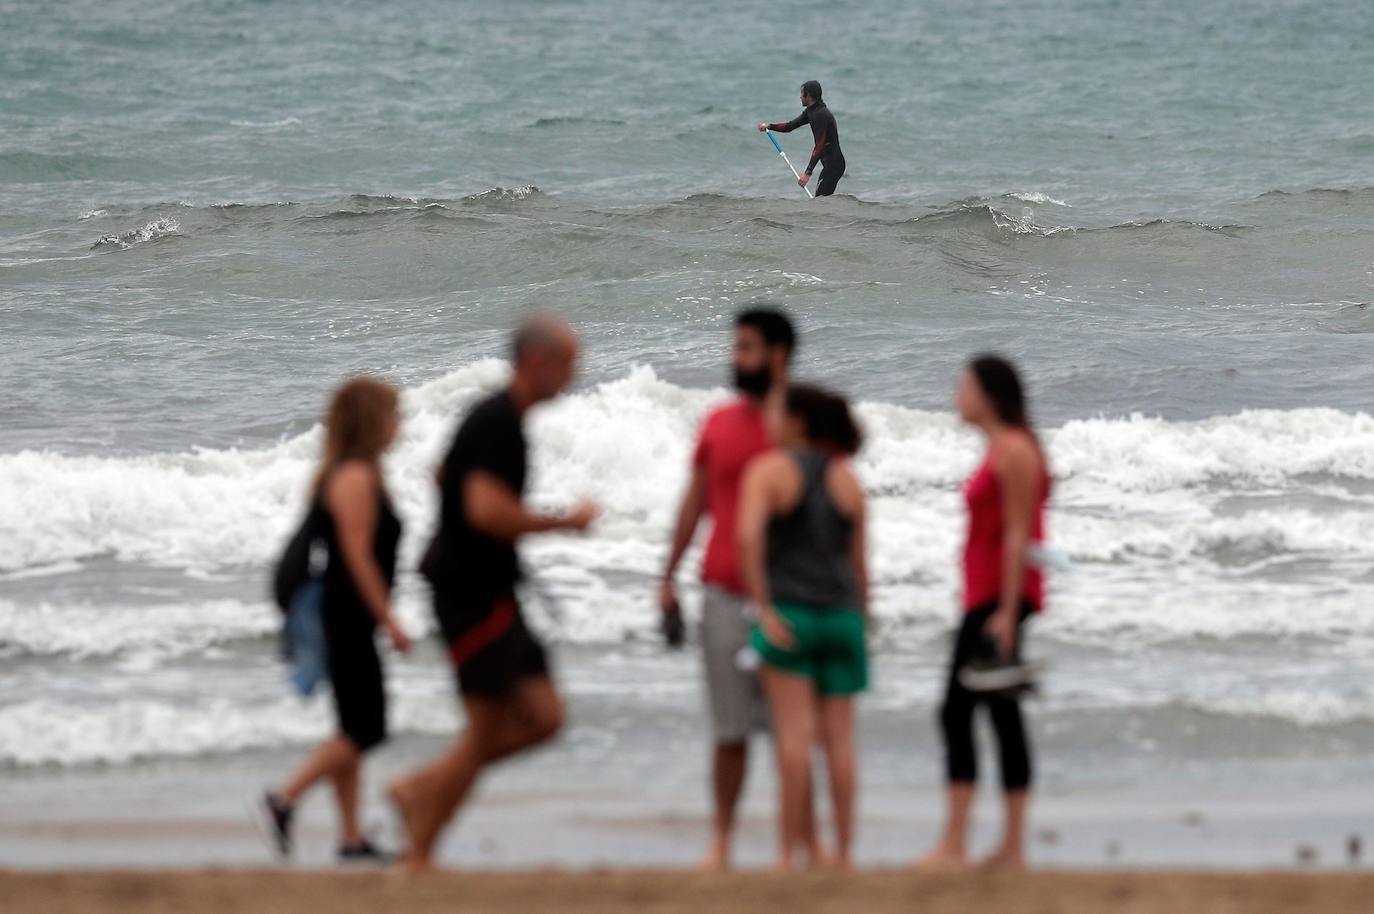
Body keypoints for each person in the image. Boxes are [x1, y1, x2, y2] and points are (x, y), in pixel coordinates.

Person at [387, 316, 598, 873]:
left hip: (495, 587)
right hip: (469, 591)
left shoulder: (499, 422)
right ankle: (420, 851)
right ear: (536, 361)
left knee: (546, 716)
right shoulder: (497, 422)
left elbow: (447, 479)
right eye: (569, 363)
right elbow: (485, 511)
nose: (575, 375)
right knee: (484, 731)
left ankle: (419, 789)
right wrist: (564, 524)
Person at [659, 307, 824, 870]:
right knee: (729, 732)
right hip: (723, 595)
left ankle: (805, 845)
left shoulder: (805, 426)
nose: (737, 358)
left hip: (792, 600)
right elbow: (695, 502)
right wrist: (667, 575)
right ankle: (722, 842)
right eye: (736, 346)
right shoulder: (719, 422)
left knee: (795, 737)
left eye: (748, 348)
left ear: (779, 354)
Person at [260, 378, 411, 863]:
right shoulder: (354, 478)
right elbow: (357, 555)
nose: (399, 424)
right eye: (392, 414)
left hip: (348, 616)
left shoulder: (355, 473)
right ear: (371, 421)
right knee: (368, 730)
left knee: (352, 726)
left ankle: (350, 839)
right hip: (345, 617)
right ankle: (284, 798)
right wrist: (390, 619)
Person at [917, 355, 1051, 871]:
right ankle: (1009, 848)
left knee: (957, 711)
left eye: (963, 388)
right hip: (990, 596)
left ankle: (955, 845)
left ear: (990, 395)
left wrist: (1008, 610)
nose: (956, 397)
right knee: (999, 711)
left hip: (998, 600)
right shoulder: (1003, 447)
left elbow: (1022, 531)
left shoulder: (1014, 448)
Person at [737, 385, 868, 871]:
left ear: (798, 422)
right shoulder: (847, 478)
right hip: (842, 617)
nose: (769, 421)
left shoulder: (769, 471)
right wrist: (862, 619)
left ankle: (787, 853)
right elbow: (859, 564)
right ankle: (844, 853)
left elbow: (748, 538)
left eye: (777, 413)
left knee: (794, 739)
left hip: (791, 614)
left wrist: (763, 608)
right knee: (841, 742)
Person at [757, 80, 846, 197]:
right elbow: (790, 126)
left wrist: (807, 173)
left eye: (801, 94)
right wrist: (770, 126)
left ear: (808, 95)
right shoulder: (811, 111)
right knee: (822, 201)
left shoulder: (821, 114)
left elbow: (820, 145)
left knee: (820, 201)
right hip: (830, 164)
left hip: (834, 165)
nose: (800, 97)